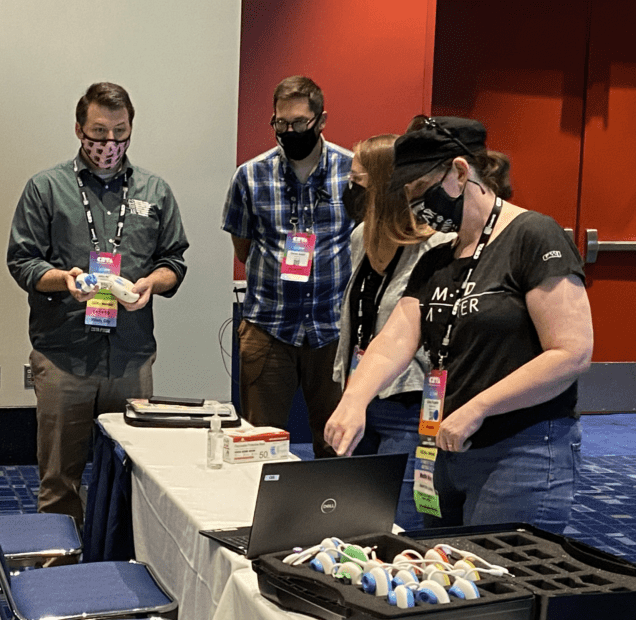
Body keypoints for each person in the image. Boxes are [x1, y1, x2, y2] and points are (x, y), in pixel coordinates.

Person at [325, 117, 592, 532]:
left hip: (521, 450)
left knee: (500, 584)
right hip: (444, 448)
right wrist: (354, 400)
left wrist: (479, 407)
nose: (417, 206)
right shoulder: (438, 258)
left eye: (421, 190)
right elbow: (395, 337)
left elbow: (571, 353)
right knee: (438, 574)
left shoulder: (535, 235)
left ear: (460, 172)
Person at [8, 82, 189, 524]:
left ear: (131, 130)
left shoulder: (155, 190)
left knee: (132, 475)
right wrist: (63, 280)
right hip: (64, 354)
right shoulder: (46, 188)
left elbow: (174, 261)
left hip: (130, 358)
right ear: (78, 129)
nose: (109, 143)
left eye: (119, 132)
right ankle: (58, 569)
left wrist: (151, 283)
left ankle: (127, 564)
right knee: (59, 480)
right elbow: (22, 261)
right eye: (98, 132)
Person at [222, 75, 353, 458]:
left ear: (321, 120)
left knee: (336, 446)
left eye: (298, 123)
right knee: (261, 447)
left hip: (332, 330)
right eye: (281, 123)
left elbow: (364, 246)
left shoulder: (351, 172)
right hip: (269, 327)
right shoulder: (250, 175)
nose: (289, 131)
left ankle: (332, 518)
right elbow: (243, 247)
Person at [329, 134, 455, 530]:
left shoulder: (438, 247)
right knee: (354, 517)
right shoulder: (360, 238)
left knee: (399, 521)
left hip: (412, 406)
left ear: (388, 184)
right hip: (362, 398)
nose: (350, 191)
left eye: (359, 181)